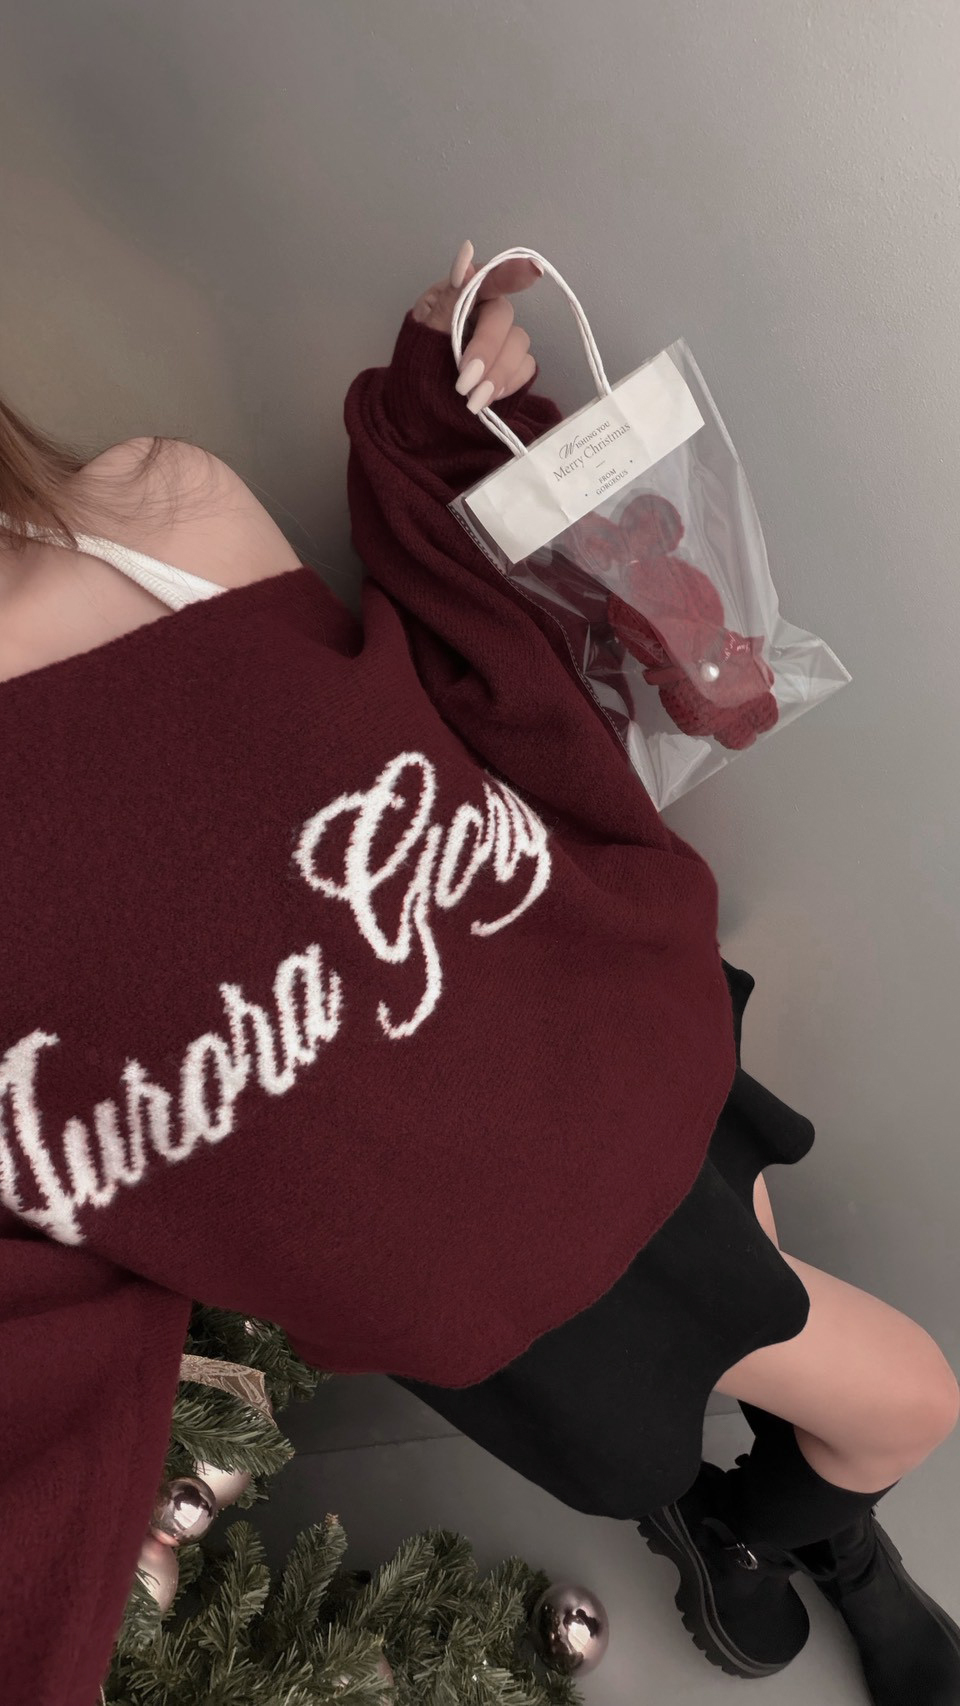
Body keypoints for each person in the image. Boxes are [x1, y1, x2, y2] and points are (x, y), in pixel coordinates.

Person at [0, 244, 957, 1706]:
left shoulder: (147, 510)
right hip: (517, 1307)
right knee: (904, 1399)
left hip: (631, 1066)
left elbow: (460, 694)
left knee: (818, 1350)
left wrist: (444, 433)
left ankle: (771, 1532)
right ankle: (765, 1533)